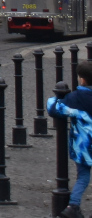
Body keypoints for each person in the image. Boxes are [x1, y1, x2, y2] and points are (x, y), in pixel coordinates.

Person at [48, 60, 92, 218]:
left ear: (82, 79)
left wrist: (55, 98)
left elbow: (54, 108)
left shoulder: (75, 98)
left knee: (83, 176)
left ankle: (73, 206)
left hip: (83, 146)